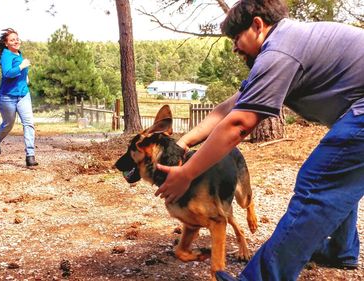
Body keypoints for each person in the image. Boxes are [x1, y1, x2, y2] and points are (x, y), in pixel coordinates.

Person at [155, 0, 364, 280]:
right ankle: (341, 250)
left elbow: (240, 124)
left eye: (237, 38)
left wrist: (188, 173)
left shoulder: (280, 51)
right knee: (338, 176)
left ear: (257, 25)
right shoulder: (288, 43)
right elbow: (229, 109)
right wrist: (184, 143)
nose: (234, 47)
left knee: (318, 184)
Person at [0, 28, 38, 167]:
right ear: (6, 43)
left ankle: (30, 155)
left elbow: (19, 71)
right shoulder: (6, 55)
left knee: (28, 123)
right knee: (8, 124)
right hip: (7, 97)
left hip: (23, 95)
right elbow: (8, 73)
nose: (16, 41)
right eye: (12, 40)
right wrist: (22, 67)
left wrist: (25, 76)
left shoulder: (18, 53)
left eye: (17, 39)